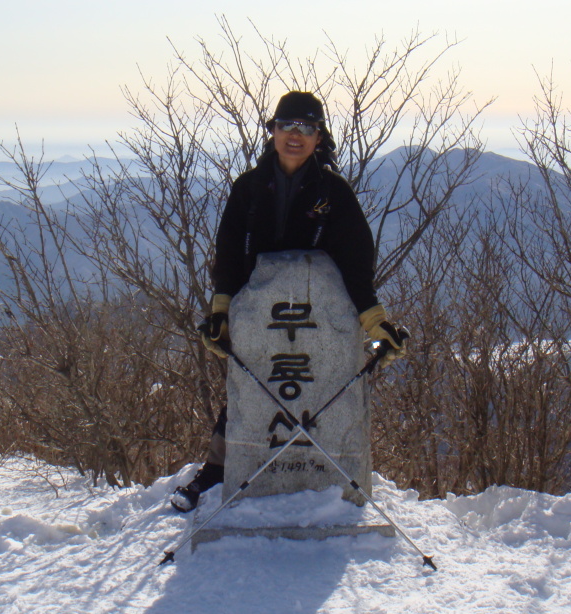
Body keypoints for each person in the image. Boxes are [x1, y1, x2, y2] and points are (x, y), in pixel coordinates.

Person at [170, 91, 407, 512]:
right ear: (272, 131)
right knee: (252, 386)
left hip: (318, 318)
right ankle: (218, 469)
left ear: (320, 137)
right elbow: (228, 255)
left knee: (295, 388)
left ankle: (296, 474)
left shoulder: (333, 193)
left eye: (307, 127)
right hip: (259, 318)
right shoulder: (247, 189)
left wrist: (375, 322)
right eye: (287, 126)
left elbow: (356, 263)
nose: (295, 135)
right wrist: (220, 312)